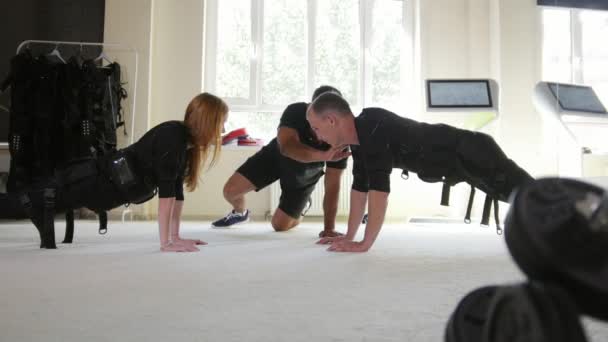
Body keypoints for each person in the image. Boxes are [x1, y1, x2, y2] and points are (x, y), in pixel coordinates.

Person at [306, 92, 534, 252]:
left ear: (331, 120)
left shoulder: (371, 128)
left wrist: (364, 244)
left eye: (316, 128)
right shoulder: (360, 140)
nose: (317, 136)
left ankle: (567, 222)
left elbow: (380, 193)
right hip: (463, 161)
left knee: (534, 197)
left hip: (474, 152)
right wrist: (349, 236)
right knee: (528, 200)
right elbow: (360, 188)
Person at [11, 93, 229, 252]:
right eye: (221, 124)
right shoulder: (173, 138)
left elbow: (176, 194)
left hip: (108, 187)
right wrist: (167, 244)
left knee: (44, 201)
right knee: (25, 202)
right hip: (99, 180)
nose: (224, 131)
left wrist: (176, 237)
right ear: (207, 122)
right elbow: (166, 197)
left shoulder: (185, 144)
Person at [212, 86, 350, 237]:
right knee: (229, 192)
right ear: (310, 108)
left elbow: (332, 186)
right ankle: (240, 213)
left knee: (279, 226)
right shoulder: (296, 111)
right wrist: (323, 156)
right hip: (275, 156)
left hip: (305, 172)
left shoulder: (341, 138)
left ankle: (303, 206)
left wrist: (329, 228)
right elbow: (286, 147)